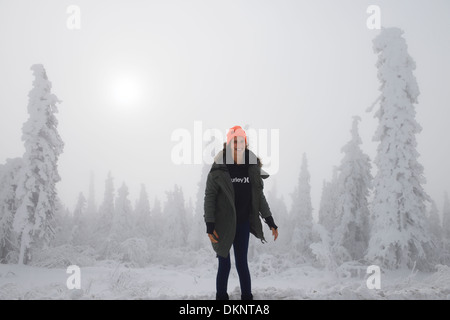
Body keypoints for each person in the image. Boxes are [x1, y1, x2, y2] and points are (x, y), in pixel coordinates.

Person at [204, 125, 278, 300]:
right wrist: (210, 224)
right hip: (222, 224)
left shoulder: (251, 168)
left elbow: (259, 196)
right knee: (224, 263)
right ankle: (221, 298)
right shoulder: (219, 168)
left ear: (245, 143)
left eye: (241, 141)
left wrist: (270, 221)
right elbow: (210, 196)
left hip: (243, 223)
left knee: (242, 264)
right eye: (234, 141)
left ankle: (247, 300)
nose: (238, 144)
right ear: (229, 144)